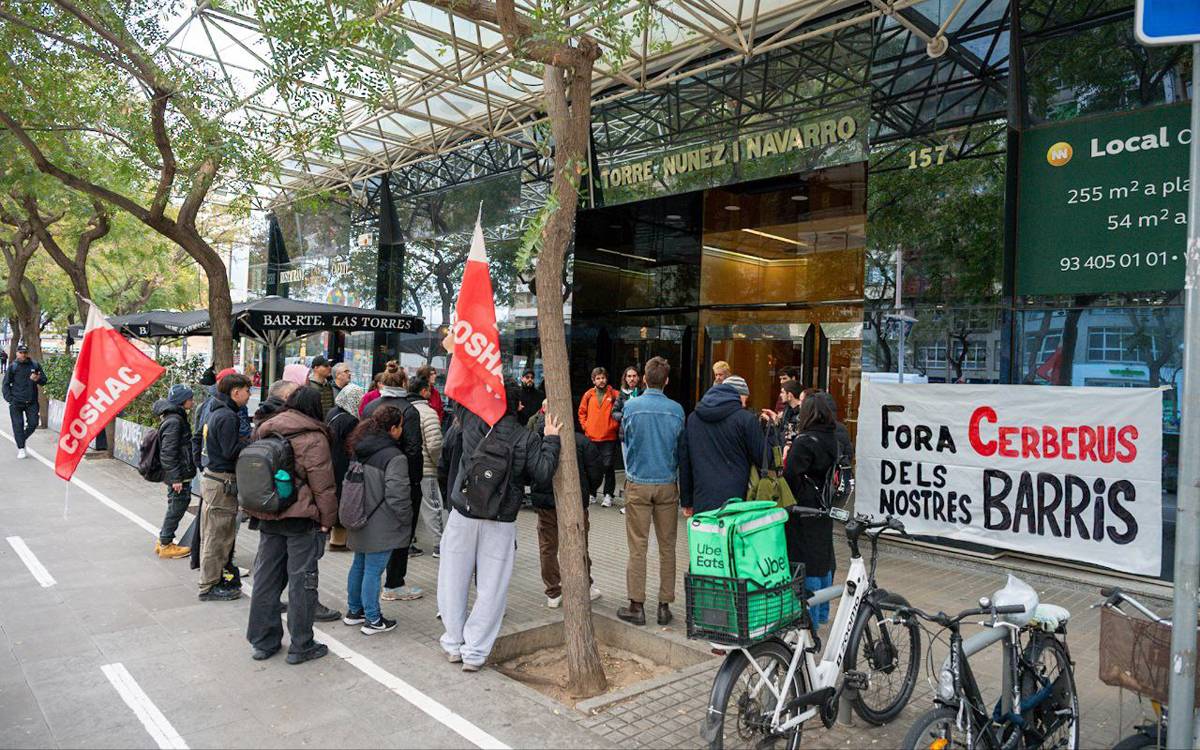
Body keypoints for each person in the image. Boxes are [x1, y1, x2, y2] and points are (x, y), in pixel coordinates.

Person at [438, 383, 561, 671]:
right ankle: (474, 653)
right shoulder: (527, 437)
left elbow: (457, 393)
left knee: (452, 580)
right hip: (501, 520)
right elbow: (543, 473)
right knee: (492, 588)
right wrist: (552, 439)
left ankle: (453, 643)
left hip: (463, 513)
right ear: (519, 406)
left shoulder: (471, 421)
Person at [245, 386, 338, 664]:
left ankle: (263, 642)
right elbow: (323, 487)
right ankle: (301, 645)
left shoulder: (265, 427)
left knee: (266, 580)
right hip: (300, 519)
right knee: (302, 582)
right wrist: (327, 521)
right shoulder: (313, 437)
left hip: (268, 513)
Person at [617, 356, 685, 627]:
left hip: (638, 482)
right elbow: (680, 447)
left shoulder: (631, 407)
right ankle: (664, 606)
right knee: (668, 547)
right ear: (666, 380)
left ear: (644, 379)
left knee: (638, 546)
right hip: (667, 482)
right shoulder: (677, 410)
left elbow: (626, 438)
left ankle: (637, 605)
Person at [343, 406, 413, 635]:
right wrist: (406, 519)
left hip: (358, 515)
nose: (402, 430)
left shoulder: (360, 447)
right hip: (381, 522)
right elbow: (398, 495)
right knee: (373, 570)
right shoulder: (394, 456)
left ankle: (355, 611)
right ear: (392, 429)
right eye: (400, 426)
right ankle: (373, 619)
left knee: (359, 565)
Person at [363, 363, 425, 599]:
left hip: (371, 475)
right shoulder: (408, 411)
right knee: (402, 529)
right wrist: (415, 481)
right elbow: (414, 449)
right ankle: (394, 582)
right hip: (401, 477)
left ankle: (373, 581)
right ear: (404, 383)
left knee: (373, 528)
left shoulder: (370, 406)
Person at [529, 406, 601, 608]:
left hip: (545, 504)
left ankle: (553, 591)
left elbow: (530, 471)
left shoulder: (536, 441)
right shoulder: (581, 442)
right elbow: (596, 472)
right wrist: (587, 491)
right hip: (574, 502)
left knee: (548, 547)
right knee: (580, 544)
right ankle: (584, 585)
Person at [781, 394, 839, 626]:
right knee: (823, 560)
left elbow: (791, 476)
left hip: (803, 508)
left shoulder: (804, 441)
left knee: (807, 564)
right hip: (824, 505)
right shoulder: (832, 437)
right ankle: (823, 613)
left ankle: (810, 621)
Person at [198, 372, 253, 602]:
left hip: (215, 479)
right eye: (247, 391)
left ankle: (215, 579)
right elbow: (230, 451)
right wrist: (250, 443)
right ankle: (208, 586)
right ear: (235, 392)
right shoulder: (228, 416)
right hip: (221, 482)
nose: (249, 395)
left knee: (217, 534)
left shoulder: (217, 410)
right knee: (217, 536)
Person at [679, 374, 764, 516]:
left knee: (707, 531)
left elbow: (685, 460)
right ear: (737, 394)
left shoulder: (693, 418)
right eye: (745, 398)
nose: (744, 404)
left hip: (702, 497)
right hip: (738, 499)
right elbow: (762, 457)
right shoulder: (746, 419)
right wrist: (771, 432)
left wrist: (687, 500)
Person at [153, 384, 196, 560]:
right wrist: (176, 478)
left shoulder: (175, 417)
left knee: (175, 505)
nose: (192, 401)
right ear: (182, 401)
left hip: (180, 472)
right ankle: (165, 544)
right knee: (178, 506)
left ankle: (163, 540)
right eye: (190, 398)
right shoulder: (174, 421)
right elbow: (168, 452)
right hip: (179, 474)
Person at [326, 383, 365, 550]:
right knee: (343, 498)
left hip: (330, 459)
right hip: (343, 463)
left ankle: (333, 535)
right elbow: (351, 445)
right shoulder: (350, 420)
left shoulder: (333, 412)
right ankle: (338, 541)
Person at [410, 377, 444, 557]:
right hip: (426, 468)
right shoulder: (428, 413)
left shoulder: (403, 409)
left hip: (405, 468)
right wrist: (437, 463)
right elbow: (434, 444)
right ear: (423, 391)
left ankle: (407, 543)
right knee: (433, 506)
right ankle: (440, 544)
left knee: (408, 506)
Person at [577, 366, 620, 507]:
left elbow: (620, 411)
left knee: (608, 467)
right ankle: (592, 493)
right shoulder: (588, 394)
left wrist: (612, 425)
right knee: (591, 467)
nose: (601, 380)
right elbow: (581, 412)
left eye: (603, 377)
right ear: (593, 380)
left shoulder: (614, 394)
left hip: (609, 437)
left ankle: (608, 495)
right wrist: (586, 426)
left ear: (606, 378)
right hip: (591, 437)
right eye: (598, 378)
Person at [3, 344, 47, 460]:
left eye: (25, 353)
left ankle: (21, 439)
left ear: (27, 353)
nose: (23, 355)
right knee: (18, 425)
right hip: (16, 402)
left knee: (33, 423)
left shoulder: (35, 365)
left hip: (31, 401)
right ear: (17, 353)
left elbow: (44, 380)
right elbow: (5, 384)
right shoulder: (13, 367)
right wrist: (9, 399)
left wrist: (38, 379)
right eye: (21, 353)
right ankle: (21, 448)